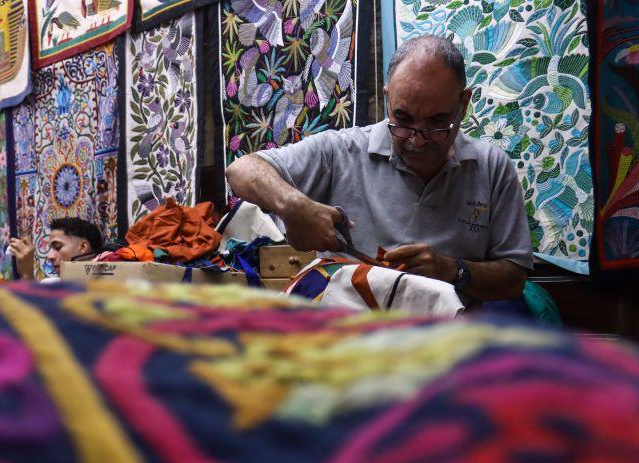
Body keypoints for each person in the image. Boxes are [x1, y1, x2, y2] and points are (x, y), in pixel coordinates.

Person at [225, 35, 532, 301]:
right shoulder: (342, 151)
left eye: (437, 123)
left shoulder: (492, 167)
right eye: (403, 119)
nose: (417, 139)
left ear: (463, 104)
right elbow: (242, 169)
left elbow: (513, 279)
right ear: (387, 99)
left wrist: (453, 270)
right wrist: (293, 205)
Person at [8, 217, 104, 280]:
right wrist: (26, 274)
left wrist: (27, 275)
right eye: (50, 249)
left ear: (83, 247)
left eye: (58, 247)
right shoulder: (50, 284)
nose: (49, 256)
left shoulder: (109, 284)